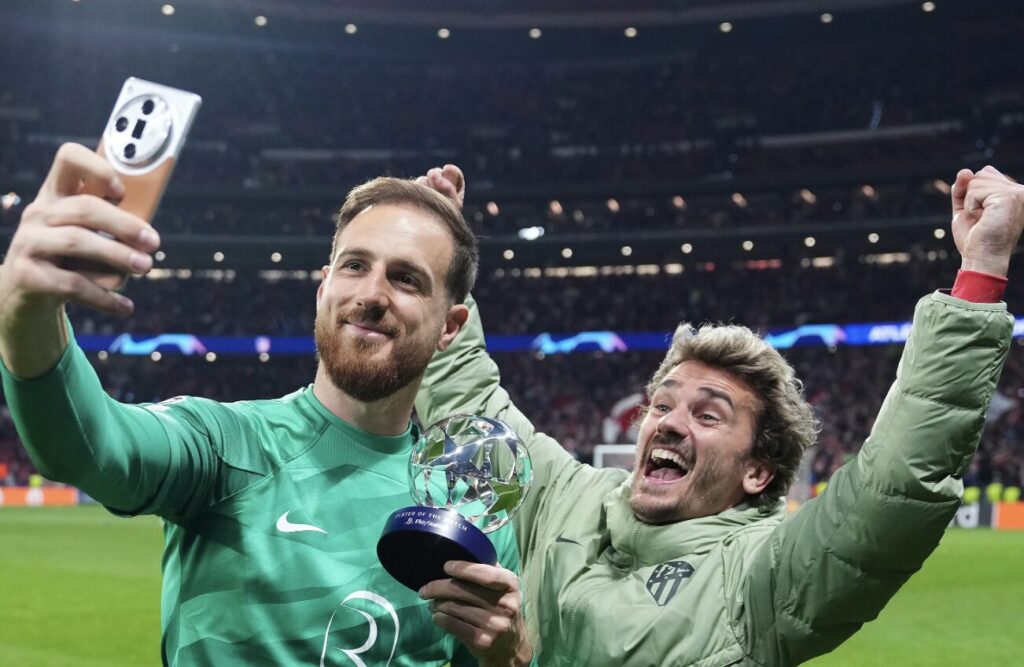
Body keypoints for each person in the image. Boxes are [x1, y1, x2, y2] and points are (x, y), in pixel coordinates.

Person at [415, 165, 1024, 665]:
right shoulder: (566, 495)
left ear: (757, 471)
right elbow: (470, 407)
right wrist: (441, 256)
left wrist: (979, 277)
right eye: (662, 403)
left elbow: (893, 490)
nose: (670, 422)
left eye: (708, 416)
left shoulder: (762, 577)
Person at [0, 146, 531, 665]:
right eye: (353, 265)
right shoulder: (226, 445)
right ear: (323, 288)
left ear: (451, 327)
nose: (371, 293)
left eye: (406, 278)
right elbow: (89, 446)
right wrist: (27, 313)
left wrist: (508, 658)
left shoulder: (467, 514)